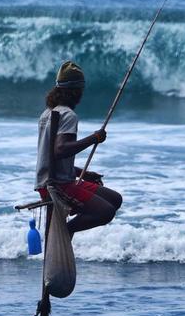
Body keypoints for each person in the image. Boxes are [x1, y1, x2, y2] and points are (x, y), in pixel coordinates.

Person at [36, 60, 122, 237]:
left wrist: (83, 173)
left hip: (56, 178)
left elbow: (52, 159)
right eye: (81, 90)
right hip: (57, 186)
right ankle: (65, 232)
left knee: (115, 199)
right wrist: (94, 138)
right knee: (105, 212)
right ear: (75, 91)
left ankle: (72, 217)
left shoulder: (47, 114)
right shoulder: (68, 115)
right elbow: (60, 150)